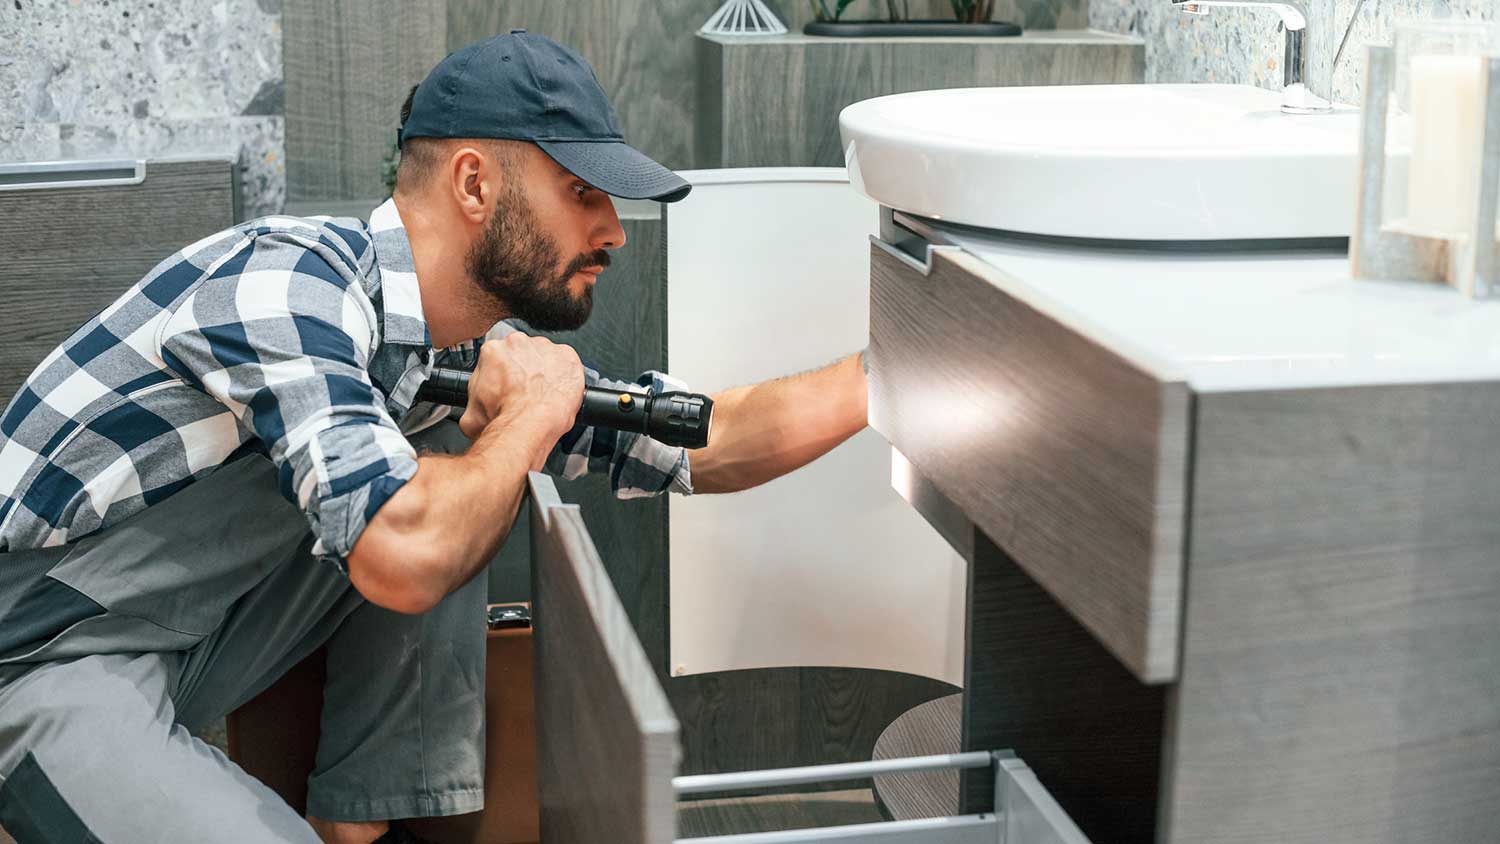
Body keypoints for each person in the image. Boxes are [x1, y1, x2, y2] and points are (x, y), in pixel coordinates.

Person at [0, 31, 869, 844]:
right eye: (582, 193)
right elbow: (403, 553)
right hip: (36, 660)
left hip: (185, 642)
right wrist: (526, 420)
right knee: (446, 480)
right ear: (474, 183)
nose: (610, 230)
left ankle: (364, 821)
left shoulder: (441, 351)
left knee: (451, 451)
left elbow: (704, 443)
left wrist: (897, 371)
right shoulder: (286, 283)